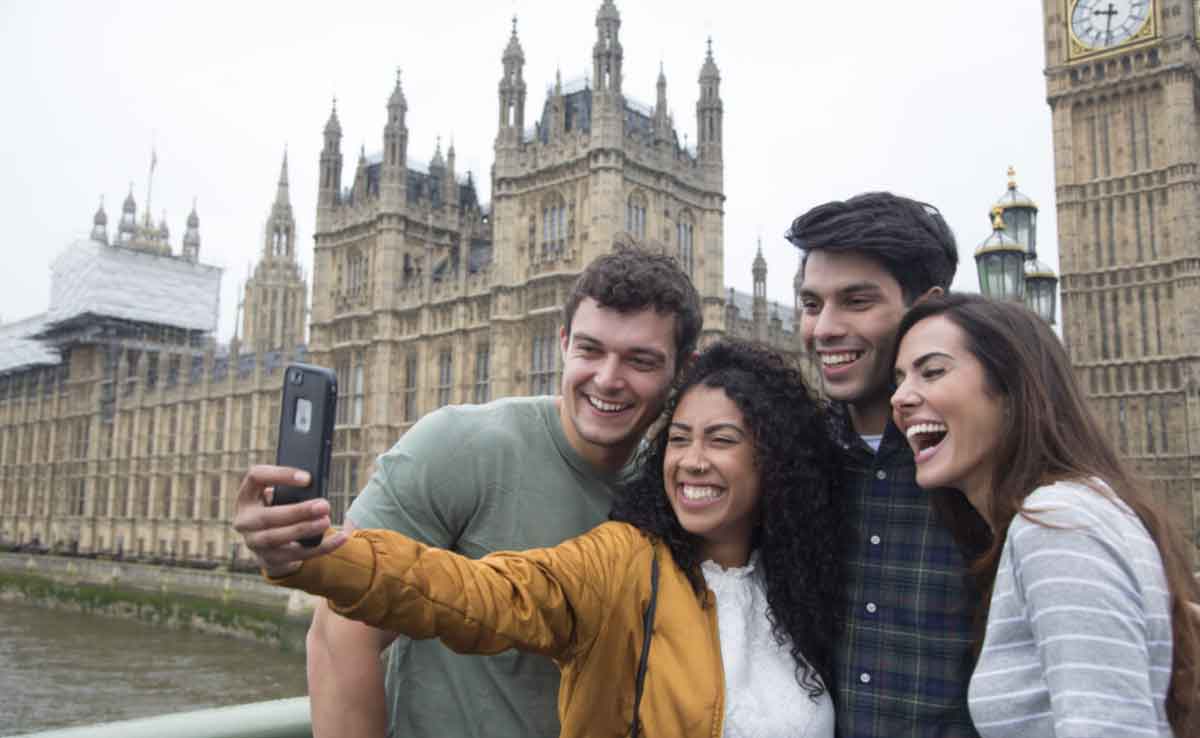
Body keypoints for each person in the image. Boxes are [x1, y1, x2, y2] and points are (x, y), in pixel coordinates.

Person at [258, 340, 844, 738]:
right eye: (680, 438)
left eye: (720, 440)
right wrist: (318, 555)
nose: (691, 461)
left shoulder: (806, 584)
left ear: (774, 459)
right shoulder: (623, 565)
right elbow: (479, 594)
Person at [233, 245, 702, 738]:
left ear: (682, 371)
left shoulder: (678, 490)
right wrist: (287, 550)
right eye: (590, 350)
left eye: (640, 361)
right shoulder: (460, 446)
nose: (607, 379)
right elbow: (338, 637)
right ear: (563, 342)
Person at [891, 294, 1199, 738]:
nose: (900, 397)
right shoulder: (1077, 511)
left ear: (1014, 388)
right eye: (898, 380)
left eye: (933, 371)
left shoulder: (1055, 524)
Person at [786, 192, 984, 738]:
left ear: (928, 309)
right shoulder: (789, 459)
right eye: (810, 303)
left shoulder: (989, 467)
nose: (823, 328)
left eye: (856, 301)